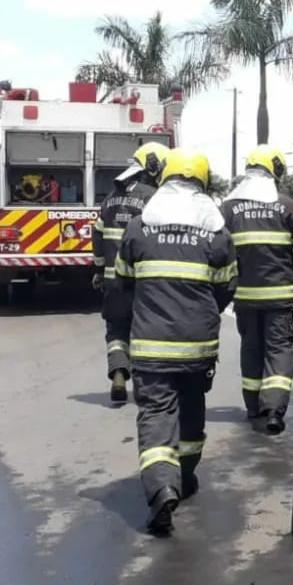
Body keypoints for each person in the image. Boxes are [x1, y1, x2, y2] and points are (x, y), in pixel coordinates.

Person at [114, 149, 237, 534]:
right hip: (198, 346)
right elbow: (226, 288)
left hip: (151, 347)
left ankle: (162, 488)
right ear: (202, 183)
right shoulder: (217, 234)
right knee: (192, 406)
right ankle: (185, 475)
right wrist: (202, 315)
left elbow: (123, 285)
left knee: (155, 416)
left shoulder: (138, 228)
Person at [221, 145, 293, 434]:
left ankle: (253, 407)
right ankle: (274, 410)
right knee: (278, 350)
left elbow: (217, 251)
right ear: (274, 172)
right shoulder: (288, 206)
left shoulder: (228, 208)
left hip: (245, 299)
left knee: (251, 349)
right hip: (280, 298)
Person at [92, 142, 169, 405]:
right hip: (144, 281)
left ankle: (118, 373)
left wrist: (99, 270)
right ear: (154, 166)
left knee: (116, 328)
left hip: (113, 280)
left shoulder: (111, 197)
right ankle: (146, 386)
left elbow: (98, 233)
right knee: (145, 332)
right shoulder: (153, 197)